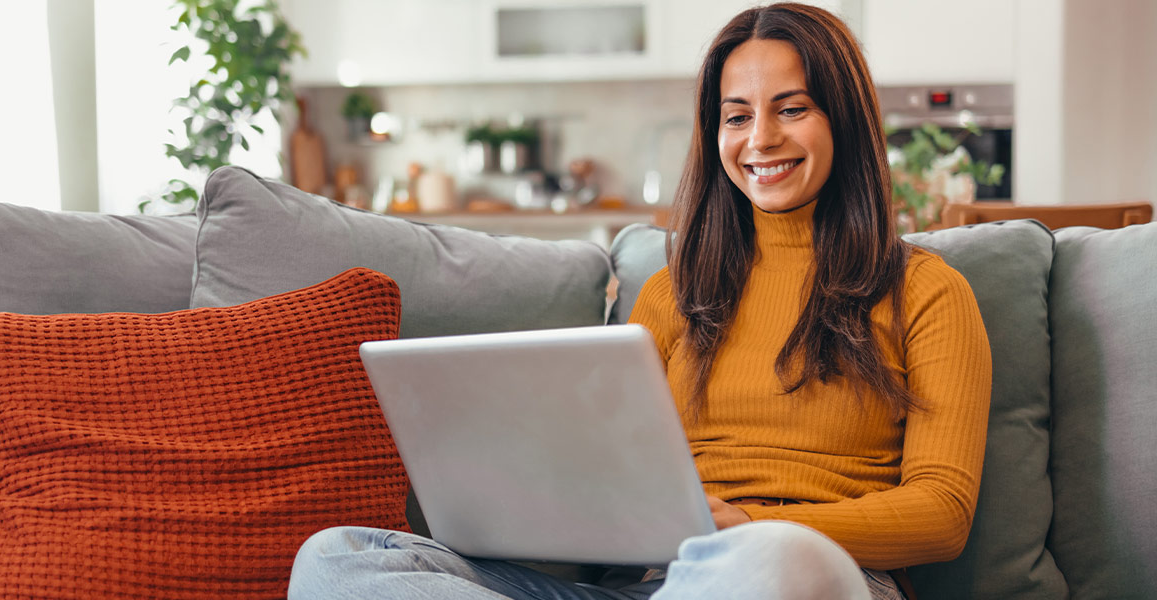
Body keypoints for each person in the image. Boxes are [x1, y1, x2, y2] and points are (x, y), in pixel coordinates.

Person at [286, 3, 991, 600]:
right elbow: (606, 475)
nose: (761, 140)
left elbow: (943, 512)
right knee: (336, 559)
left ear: (845, 118)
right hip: (654, 580)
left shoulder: (925, 291)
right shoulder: (674, 292)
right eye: (736, 116)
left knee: (775, 559)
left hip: (803, 574)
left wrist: (749, 528)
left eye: (792, 109)